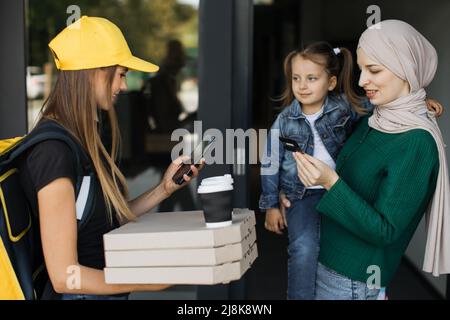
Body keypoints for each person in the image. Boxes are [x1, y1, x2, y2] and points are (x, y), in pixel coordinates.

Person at [17, 16, 203, 300]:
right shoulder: (54, 151)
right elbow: (65, 276)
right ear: (94, 72)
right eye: (121, 74)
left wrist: (164, 189)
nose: (124, 86)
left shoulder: (81, 138)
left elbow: (105, 221)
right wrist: (147, 282)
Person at [259, 42, 442, 300]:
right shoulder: (285, 120)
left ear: (331, 82)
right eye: (296, 78)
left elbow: (386, 107)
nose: (302, 85)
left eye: (311, 78)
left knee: (328, 245)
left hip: (338, 189)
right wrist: (271, 205)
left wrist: (418, 105)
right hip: (301, 194)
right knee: (303, 248)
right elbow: (270, 161)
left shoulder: (342, 107)